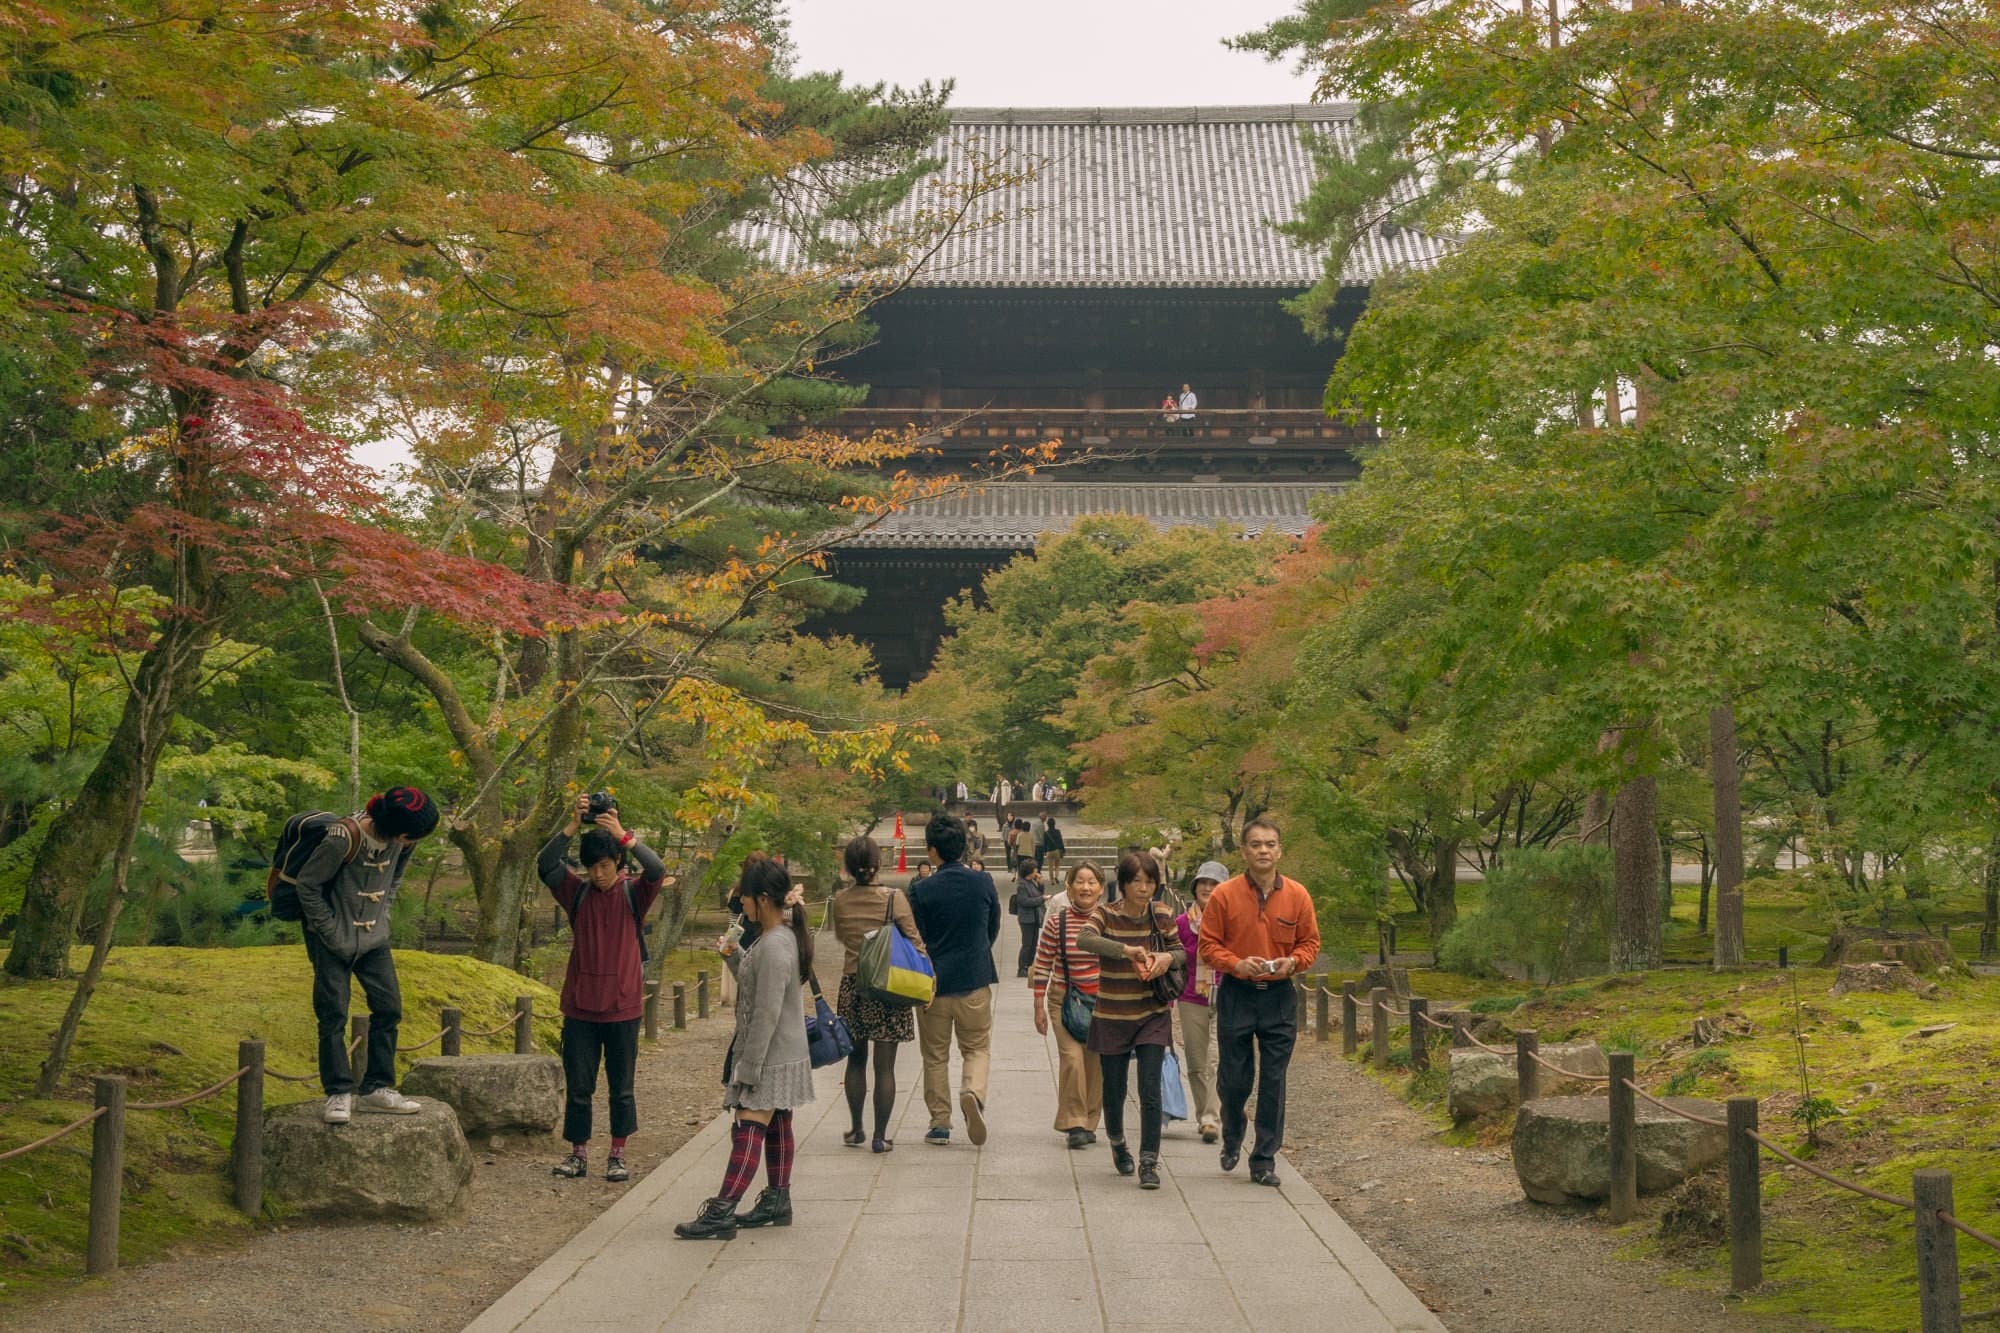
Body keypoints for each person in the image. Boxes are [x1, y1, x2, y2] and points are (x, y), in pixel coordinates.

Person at [677, 857, 814, 1239]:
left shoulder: (775, 945)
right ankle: (777, 1199)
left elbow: (766, 1012)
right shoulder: (775, 938)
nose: (743, 905)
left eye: (746, 898)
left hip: (770, 1053)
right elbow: (754, 986)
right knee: (778, 1122)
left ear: (764, 899)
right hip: (783, 1050)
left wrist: (749, 1066)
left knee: (749, 1127)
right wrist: (733, 955)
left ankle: (723, 1208)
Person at [538, 793, 668, 1182]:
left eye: (606, 865)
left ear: (619, 864)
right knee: (579, 1086)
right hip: (580, 1007)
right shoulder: (576, 892)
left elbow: (657, 870)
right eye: (592, 867)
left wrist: (622, 834)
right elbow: (546, 864)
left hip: (623, 1008)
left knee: (620, 1087)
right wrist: (572, 825)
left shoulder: (633, 894)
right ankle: (578, 1154)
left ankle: (617, 1154)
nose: (598, 874)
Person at [296, 786, 440, 1125]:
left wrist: (381, 920)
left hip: (374, 939)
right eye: (414, 835)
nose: (414, 842)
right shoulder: (342, 838)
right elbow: (308, 886)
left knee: (389, 1008)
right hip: (331, 940)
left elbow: (393, 883)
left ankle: (377, 1087)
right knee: (333, 1014)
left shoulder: (404, 841)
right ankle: (338, 1091)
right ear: (397, 829)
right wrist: (332, 933)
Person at [1197, 818, 1319, 1188]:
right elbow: (1208, 944)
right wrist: (1235, 963)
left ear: (1280, 850)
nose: (1263, 851)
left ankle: (1264, 1158)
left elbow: (1310, 943)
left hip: (1280, 997)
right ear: (1244, 851)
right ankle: (1233, 1130)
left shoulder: (1298, 895)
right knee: (1234, 1080)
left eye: (1270, 844)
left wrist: (1293, 962)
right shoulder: (1224, 895)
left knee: (1273, 1080)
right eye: (1256, 844)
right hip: (1238, 992)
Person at [1075, 852, 1184, 1189]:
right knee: (1115, 1088)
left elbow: (1181, 951)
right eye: (1136, 880)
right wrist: (1126, 951)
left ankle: (1149, 1161)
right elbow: (1085, 939)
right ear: (1122, 883)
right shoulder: (1106, 914)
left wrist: (1166, 957)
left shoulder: (1161, 913)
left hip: (1151, 1012)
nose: (1143, 887)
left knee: (1150, 1088)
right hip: (1111, 1013)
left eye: (1149, 881)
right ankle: (1118, 1142)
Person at [907, 811, 1001, 1146]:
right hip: (974, 979)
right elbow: (993, 926)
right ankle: (972, 1091)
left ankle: (940, 1123)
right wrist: (978, 950)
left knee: (935, 1056)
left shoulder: (922, 889)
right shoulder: (983, 882)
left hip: (933, 986)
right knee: (977, 1047)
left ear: (932, 851)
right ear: (963, 846)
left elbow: (914, 936)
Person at [828, 836, 924, 1153]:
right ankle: (880, 1136)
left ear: (849, 867)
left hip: (853, 985)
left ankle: (856, 1128)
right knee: (885, 1067)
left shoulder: (840, 901)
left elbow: (843, 936)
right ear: (877, 863)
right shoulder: (893, 898)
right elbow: (913, 939)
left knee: (855, 1061)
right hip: (888, 986)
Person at [1029, 861, 1105, 1149]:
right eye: (1080, 881)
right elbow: (1044, 962)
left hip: (1101, 1002)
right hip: (1064, 998)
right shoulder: (1057, 921)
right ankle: (1074, 1122)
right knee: (1073, 1059)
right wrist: (1038, 1004)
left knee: (1094, 1063)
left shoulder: (1109, 920)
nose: (1085, 887)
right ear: (1069, 886)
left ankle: (1089, 1120)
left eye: (1092, 882)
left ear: (1101, 888)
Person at [1176, 861, 1230, 1144]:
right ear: (1195, 887)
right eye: (1203, 883)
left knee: (1217, 1057)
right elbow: (1174, 959)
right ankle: (1204, 1114)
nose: (1208, 888)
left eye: (1214, 884)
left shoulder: (1233, 921)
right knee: (1197, 1061)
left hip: (1226, 994)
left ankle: (1211, 1118)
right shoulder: (1182, 924)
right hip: (1191, 996)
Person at [1010, 857, 1046, 978]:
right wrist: (1042, 899)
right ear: (1029, 872)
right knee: (1027, 944)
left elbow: (1038, 894)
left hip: (1035, 918)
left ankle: (1029, 965)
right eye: (1035, 871)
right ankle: (1022, 967)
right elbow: (1024, 901)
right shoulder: (1022, 885)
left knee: (1033, 943)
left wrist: (1041, 884)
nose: (1037, 873)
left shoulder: (1031, 883)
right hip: (1026, 919)